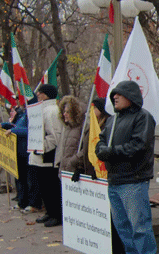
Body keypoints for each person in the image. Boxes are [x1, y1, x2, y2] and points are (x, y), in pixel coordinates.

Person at [96, 81, 157, 254]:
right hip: (114, 179)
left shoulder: (143, 118)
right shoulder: (112, 120)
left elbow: (138, 146)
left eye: (118, 95)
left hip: (133, 179)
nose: (114, 98)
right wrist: (101, 149)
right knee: (121, 223)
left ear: (130, 96)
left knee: (139, 224)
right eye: (113, 95)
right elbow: (101, 140)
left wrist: (110, 152)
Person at [30, 84, 63, 227]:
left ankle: (57, 214)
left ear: (47, 94)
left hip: (48, 158)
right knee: (44, 188)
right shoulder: (41, 110)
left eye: (41, 92)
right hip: (39, 157)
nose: (37, 94)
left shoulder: (52, 111)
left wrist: (41, 147)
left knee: (51, 188)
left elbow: (54, 136)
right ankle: (50, 212)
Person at [71, 98, 110, 181]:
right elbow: (86, 150)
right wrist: (80, 167)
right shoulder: (90, 128)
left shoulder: (108, 127)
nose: (91, 110)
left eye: (94, 107)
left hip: (102, 174)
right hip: (89, 172)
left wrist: (99, 169)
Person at [2, 106, 29, 210]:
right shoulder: (21, 116)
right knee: (20, 179)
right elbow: (14, 126)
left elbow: (28, 130)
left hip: (25, 152)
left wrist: (14, 131)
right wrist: (4, 125)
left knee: (26, 180)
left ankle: (28, 202)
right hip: (17, 152)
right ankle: (21, 201)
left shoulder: (28, 115)